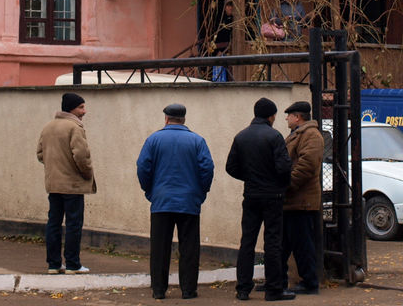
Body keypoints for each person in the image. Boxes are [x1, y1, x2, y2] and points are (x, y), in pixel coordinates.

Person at [136, 103, 215, 300]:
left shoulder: (153, 139)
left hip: (161, 201)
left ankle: (159, 290)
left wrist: (151, 191)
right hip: (189, 201)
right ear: (184, 119)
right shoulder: (197, 141)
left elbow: (143, 167)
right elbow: (207, 168)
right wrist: (200, 192)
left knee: (159, 247)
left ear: (166, 118)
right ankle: (188, 290)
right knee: (189, 247)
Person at [226, 97, 295, 301]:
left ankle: (243, 289)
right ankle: (274, 290)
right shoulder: (274, 137)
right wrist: (280, 184)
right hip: (272, 196)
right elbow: (284, 168)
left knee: (247, 241)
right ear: (271, 116)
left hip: (251, 195)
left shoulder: (241, 137)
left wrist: (250, 177)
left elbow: (231, 167)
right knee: (273, 242)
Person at [37, 92, 96, 275]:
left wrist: (55, 166)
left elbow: (40, 154)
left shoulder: (48, 127)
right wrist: (87, 174)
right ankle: (73, 264)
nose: (84, 111)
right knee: (73, 224)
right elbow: (81, 156)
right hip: (72, 185)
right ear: (72, 108)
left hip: (53, 183)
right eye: (81, 107)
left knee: (53, 223)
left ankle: (54, 264)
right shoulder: (74, 127)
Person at [281, 101, 323, 295]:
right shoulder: (300, 134)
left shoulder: (311, 135)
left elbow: (307, 165)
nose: (286, 118)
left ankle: (310, 282)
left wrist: (287, 184)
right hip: (293, 200)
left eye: (289, 115)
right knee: (284, 243)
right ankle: (278, 279)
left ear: (297, 117)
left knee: (302, 244)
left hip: (301, 200)